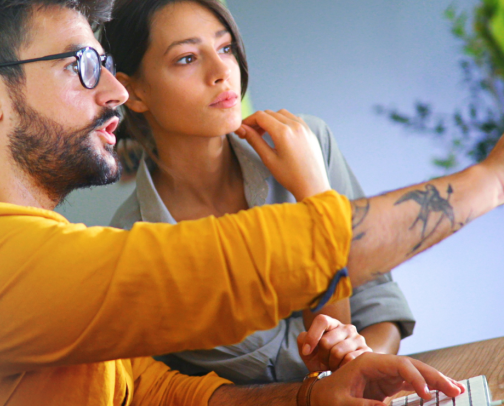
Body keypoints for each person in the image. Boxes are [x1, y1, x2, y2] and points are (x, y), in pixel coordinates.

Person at [0, 0, 501, 404]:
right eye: (81, 66)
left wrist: (309, 394)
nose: (114, 91)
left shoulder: (51, 263)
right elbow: (227, 269)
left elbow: (162, 394)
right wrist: (490, 179)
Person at [105, 0, 414, 384]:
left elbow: (379, 306)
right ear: (133, 92)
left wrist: (363, 364)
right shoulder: (136, 251)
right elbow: (306, 363)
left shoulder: (308, 142)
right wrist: (316, 199)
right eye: (187, 58)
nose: (222, 72)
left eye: (225, 48)